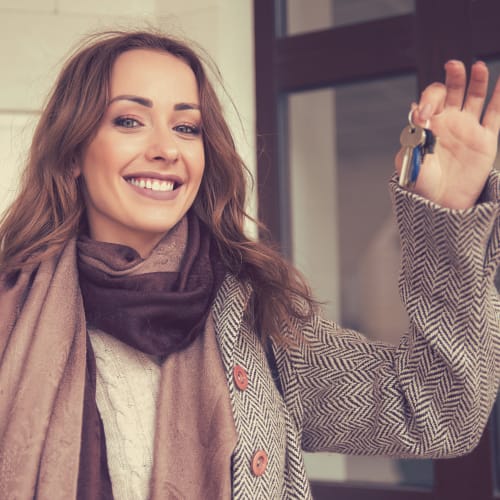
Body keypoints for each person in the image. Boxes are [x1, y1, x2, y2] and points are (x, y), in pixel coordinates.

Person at [0, 30, 498, 500]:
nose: (165, 149)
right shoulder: (12, 314)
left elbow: (438, 412)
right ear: (72, 153)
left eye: (186, 127)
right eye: (129, 120)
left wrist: (446, 221)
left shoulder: (257, 318)